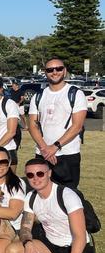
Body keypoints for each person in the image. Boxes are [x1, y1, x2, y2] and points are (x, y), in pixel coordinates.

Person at [5, 158, 96, 253]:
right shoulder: (31, 197)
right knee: (12, 251)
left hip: (76, 246)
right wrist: (28, 243)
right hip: (50, 246)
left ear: (49, 173)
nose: (35, 178)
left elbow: (80, 236)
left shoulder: (66, 195)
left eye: (40, 173)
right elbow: (25, 227)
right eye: (30, 175)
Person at [28, 57, 87, 188]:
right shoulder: (38, 96)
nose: (55, 72)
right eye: (50, 69)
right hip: (42, 153)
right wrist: (44, 148)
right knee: (41, 192)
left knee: (67, 195)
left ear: (64, 71)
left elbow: (77, 126)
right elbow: (32, 126)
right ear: (45, 72)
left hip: (67, 154)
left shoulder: (76, 94)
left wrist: (54, 147)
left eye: (58, 68)